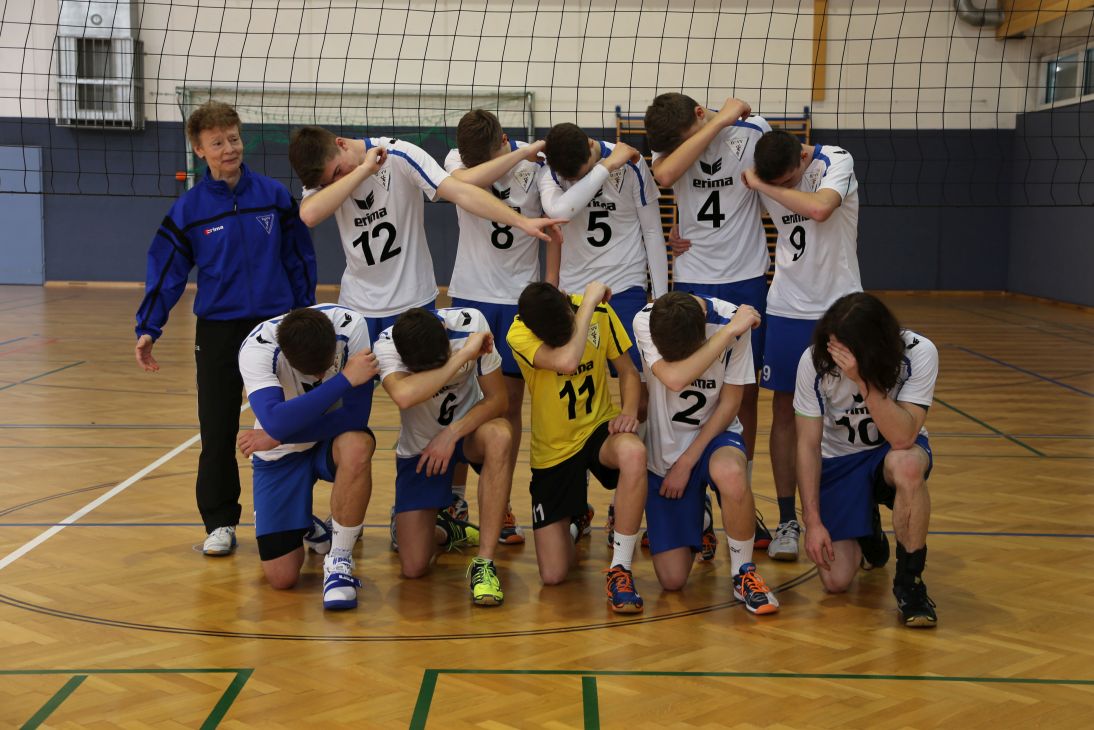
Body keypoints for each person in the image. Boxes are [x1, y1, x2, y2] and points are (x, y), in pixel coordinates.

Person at [134, 101, 317, 557]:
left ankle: (299, 518)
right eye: (217, 143)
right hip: (218, 330)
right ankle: (219, 522)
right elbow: (166, 271)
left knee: (290, 424)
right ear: (199, 150)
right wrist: (149, 326)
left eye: (233, 138)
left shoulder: (273, 196)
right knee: (216, 429)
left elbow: (299, 257)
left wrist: (304, 313)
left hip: (275, 327)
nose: (228, 148)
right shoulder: (189, 211)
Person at [287, 126, 564, 343]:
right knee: (354, 392)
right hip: (357, 304)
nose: (337, 181)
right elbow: (309, 215)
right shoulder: (328, 176)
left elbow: (461, 192)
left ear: (341, 144)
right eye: (330, 181)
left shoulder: (399, 154)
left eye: (338, 171)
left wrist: (521, 221)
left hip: (412, 302)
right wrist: (362, 171)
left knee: (418, 394)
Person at [644, 95, 772, 541]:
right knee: (689, 387)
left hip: (746, 276)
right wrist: (716, 124)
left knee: (745, 392)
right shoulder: (670, 144)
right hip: (693, 278)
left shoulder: (753, 131)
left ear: (699, 113)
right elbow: (664, 175)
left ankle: (740, 493)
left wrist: (723, 122)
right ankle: (694, 500)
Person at [742, 129, 863, 561]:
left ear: (802, 159)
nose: (784, 188)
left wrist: (764, 186)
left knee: (846, 410)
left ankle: (854, 512)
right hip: (787, 308)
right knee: (784, 412)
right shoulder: (765, 173)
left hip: (840, 308)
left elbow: (819, 208)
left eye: (789, 180)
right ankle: (787, 520)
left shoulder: (835, 160)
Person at [794, 292, 939, 627]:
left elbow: (903, 437)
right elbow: (807, 446)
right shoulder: (813, 360)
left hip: (890, 453)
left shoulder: (919, 351)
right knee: (835, 581)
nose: (838, 356)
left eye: (847, 349)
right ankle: (867, 529)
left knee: (908, 465)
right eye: (833, 345)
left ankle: (910, 584)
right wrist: (812, 522)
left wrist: (862, 380)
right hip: (839, 461)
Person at [442, 109, 551, 545]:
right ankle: (454, 500)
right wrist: (521, 152)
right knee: (459, 400)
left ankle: (500, 501)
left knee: (508, 405)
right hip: (471, 295)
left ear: (501, 139)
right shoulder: (457, 159)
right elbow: (465, 181)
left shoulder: (536, 169)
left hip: (519, 300)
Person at [507, 281, 648, 613]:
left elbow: (628, 372)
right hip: (554, 448)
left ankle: (620, 568)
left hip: (598, 428)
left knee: (634, 452)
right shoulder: (519, 331)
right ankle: (575, 517)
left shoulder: (599, 312)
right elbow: (568, 361)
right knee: (554, 574)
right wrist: (588, 305)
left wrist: (629, 412)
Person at [633, 292, 778, 615]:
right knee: (672, 580)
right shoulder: (645, 319)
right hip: (666, 450)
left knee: (732, 473)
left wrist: (688, 461)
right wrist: (730, 333)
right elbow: (674, 379)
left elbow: (731, 403)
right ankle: (703, 518)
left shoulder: (731, 319)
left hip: (714, 436)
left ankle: (743, 573)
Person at [236, 305, 377, 611]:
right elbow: (275, 421)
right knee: (281, 577)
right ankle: (305, 523)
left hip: (329, 441)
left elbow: (355, 416)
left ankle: (339, 562)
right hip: (281, 455)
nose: (320, 376)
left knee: (358, 444)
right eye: (311, 373)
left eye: (326, 368)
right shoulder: (256, 349)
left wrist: (279, 433)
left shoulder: (352, 327)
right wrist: (345, 379)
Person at [374, 307, 515, 606]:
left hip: (468, 434)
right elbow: (404, 396)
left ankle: (484, 563)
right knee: (413, 567)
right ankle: (447, 528)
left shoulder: (471, 324)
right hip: (421, 449)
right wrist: (463, 356)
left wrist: (451, 434)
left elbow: (499, 399)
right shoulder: (387, 344)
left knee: (500, 434)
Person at [539, 123, 669, 371]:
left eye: (583, 173)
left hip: (625, 285)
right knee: (578, 377)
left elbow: (652, 232)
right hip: (574, 291)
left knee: (638, 378)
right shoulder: (552, 172)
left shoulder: (632, 165)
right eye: (574, 180)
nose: (579, 181)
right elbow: (560, 212)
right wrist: (607, 166)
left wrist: (661, 299)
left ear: (590, 144)